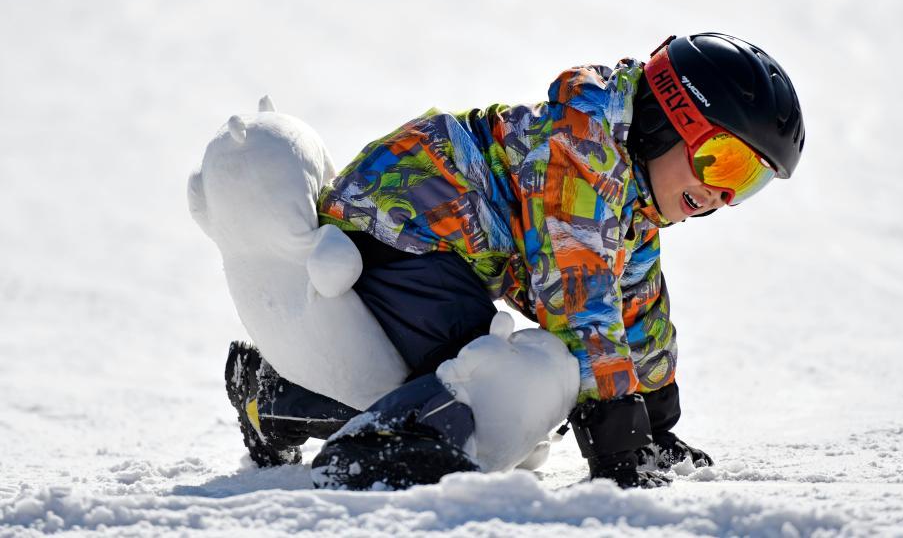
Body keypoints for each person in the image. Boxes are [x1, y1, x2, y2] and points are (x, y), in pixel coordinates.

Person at [223, 32, 805, 489]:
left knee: (479, 380)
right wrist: (617, 447)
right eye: (723, 162)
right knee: (474, 380)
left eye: (747, 183)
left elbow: (636, 306)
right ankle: (375, 447)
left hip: (436, 256)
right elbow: (581, 304)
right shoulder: (581, 158)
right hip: (398, 229)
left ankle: (274, 398)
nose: (722, 194)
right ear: (667, 117)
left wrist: (653, 426)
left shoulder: (632, 196)